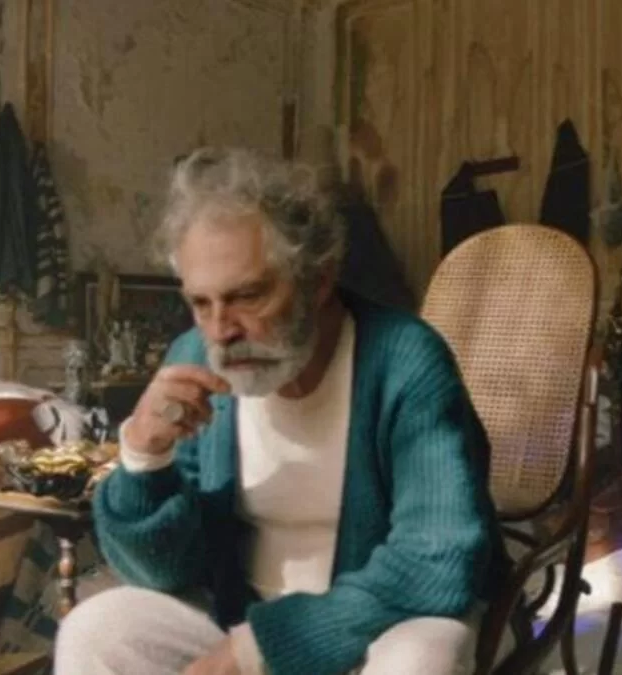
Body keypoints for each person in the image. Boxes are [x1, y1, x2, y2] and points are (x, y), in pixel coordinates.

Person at [54, 147, 509, 674]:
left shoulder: (405, 360)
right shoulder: (194, 361)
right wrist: (144, 459)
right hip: (238, 617)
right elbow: (164, 573)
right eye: (201, 303)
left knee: (421, 659)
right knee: (95, 629)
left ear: (319, 280)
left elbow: (439, 558)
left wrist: (261, 649)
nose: (221, 330)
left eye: (248, 295)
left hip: (378, 624)